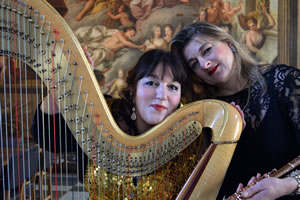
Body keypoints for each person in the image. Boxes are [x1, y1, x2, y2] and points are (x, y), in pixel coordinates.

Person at [31, 49, 194, 199]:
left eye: (172, 87)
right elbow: (48, 135)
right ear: (132, 89)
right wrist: (64, 82)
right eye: (151, 83)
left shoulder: (192, 138)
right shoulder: (102, 114)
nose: (162, 95)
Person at [171, 22, 300, 199]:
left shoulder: (284, 82)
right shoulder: (204, 115)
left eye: (207, 50)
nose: (204, 64)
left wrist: (287, 185)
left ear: (229, 43)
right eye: (194, 64)